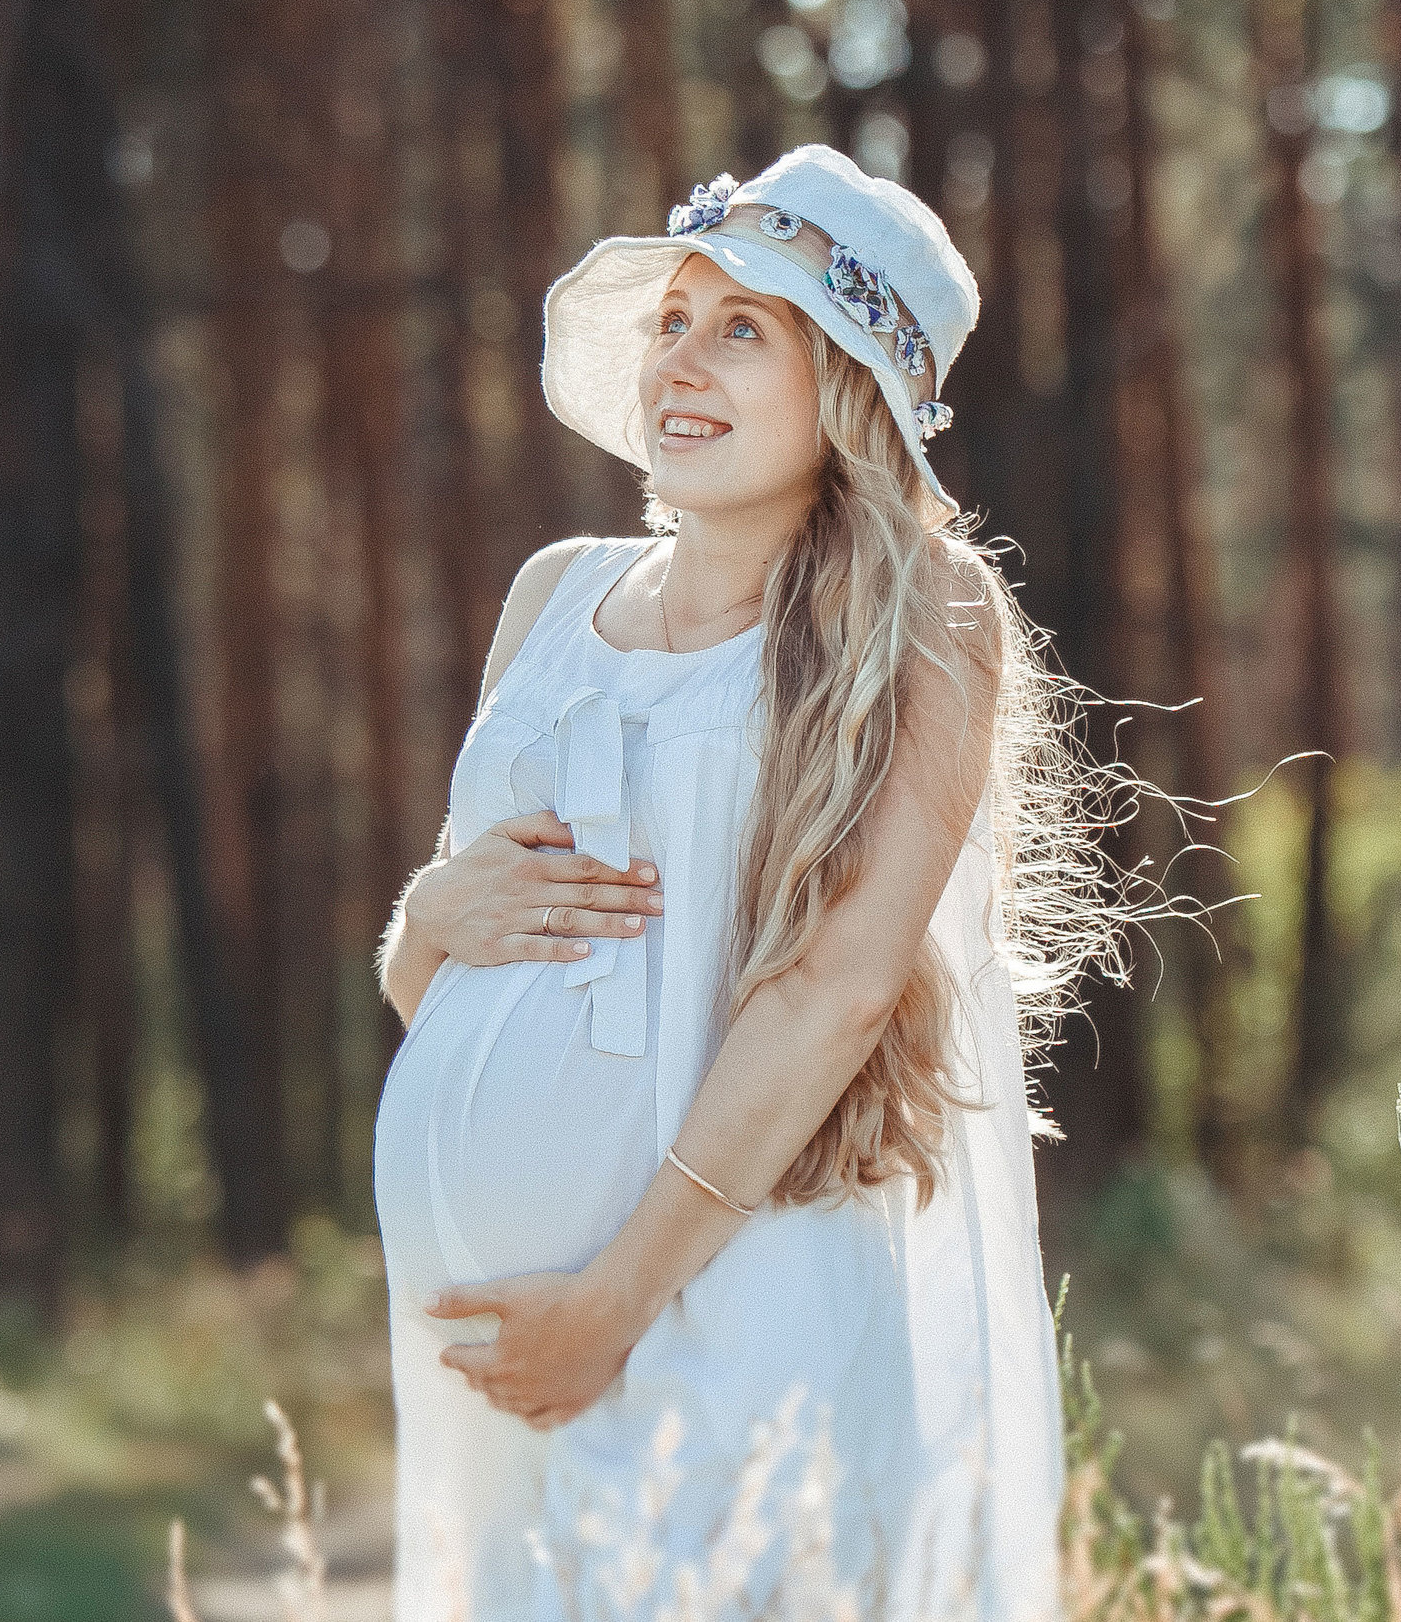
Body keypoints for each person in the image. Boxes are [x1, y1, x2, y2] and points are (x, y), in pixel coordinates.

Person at [370, 144, 1132, 1621]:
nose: (681, 363)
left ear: (845, 386)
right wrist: (424, 920)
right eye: (672, 319)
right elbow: (460, 983)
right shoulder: (551, 595)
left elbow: (838, 991)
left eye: (743, 329)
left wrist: (614, 1301)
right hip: (500, 1351)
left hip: (726, 1299)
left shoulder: (921, 620)